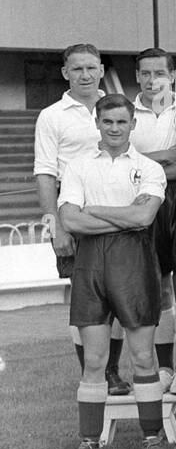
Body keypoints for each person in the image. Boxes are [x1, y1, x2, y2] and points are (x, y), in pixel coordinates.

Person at [59, 94, 167, 449]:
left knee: (142, 356)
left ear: (133, 123)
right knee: (94, 359)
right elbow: (70, 221)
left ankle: (151, 437)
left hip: (134, 260)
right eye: (108, 122)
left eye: (122, 122)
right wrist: (122, 214)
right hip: (90, 263)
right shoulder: (77, 166)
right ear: (97, 124)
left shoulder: (150, 168)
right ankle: (90, 439)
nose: (115, 129)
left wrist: (96, 210)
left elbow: (144, 219)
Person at [33, 44, 111, 382]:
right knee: (85, 302)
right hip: (74, 214)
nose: (85, 75)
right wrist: (55, 230)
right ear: (65, 73)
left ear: (102, 70)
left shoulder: (120, 107)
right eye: (77, 69)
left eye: (91, 68)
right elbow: (45, 174)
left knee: (124, 298)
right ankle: (95, 374)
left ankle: (116, 372)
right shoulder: (52, 115)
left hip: (118, 211)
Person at [131, 48, 176, 396]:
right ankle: (164, 366)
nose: (153, 79)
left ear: (172, 76)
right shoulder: (128, 112)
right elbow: (126, 163)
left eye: (160, 72)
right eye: (145, 73)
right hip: (146, 201)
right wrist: (166, 158)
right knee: (157, 286)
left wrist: (147, 165)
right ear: (137, 77)